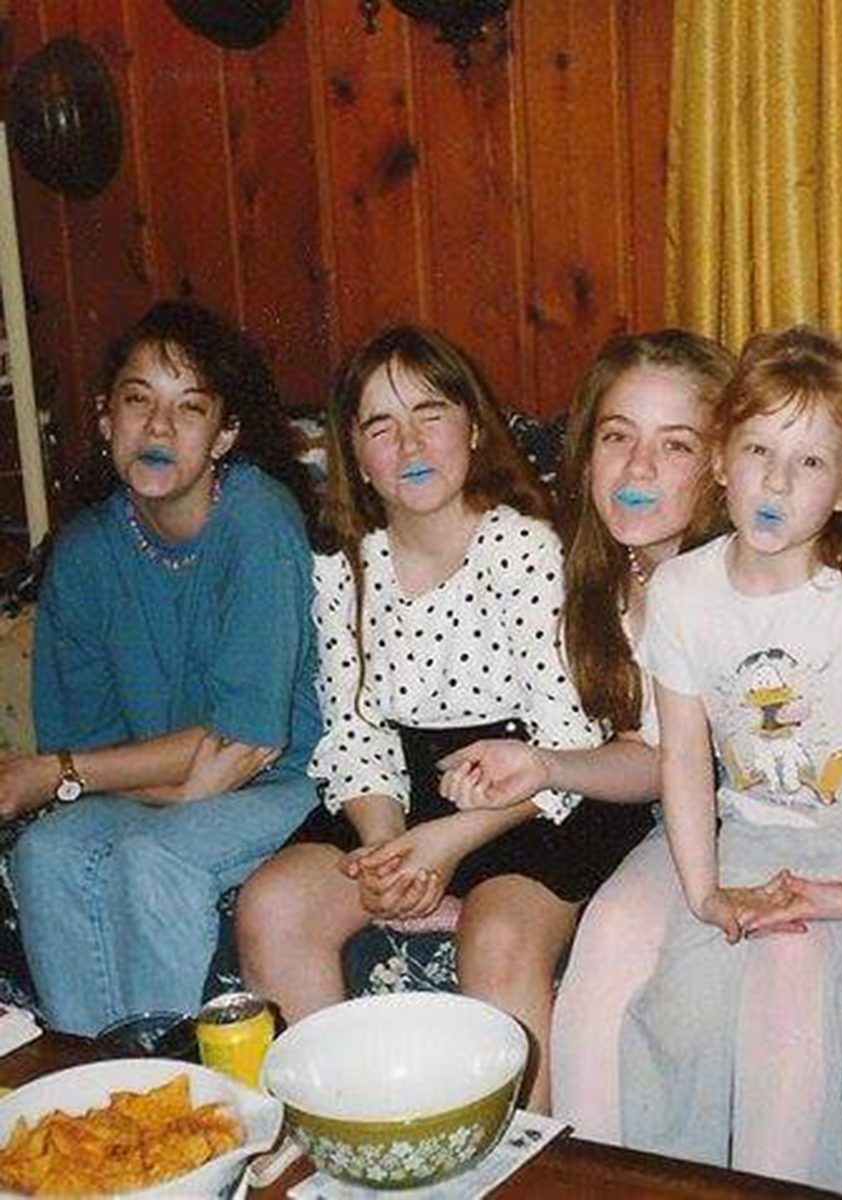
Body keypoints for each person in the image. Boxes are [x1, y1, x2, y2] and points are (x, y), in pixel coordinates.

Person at [235, 325, 652, 1111]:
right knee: (274, 904)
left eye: (431, 413)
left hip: (537, 795)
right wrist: (387, 846)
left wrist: (448, 844)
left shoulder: (524, 548)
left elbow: (565, 740)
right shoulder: (343, 564)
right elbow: (355, 730)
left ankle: (527, 1159)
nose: (411, 443)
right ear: (355, 455)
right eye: (381, 426)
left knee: (497, 936)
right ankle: (344, 1128)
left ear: (472, 427)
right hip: (408, 792)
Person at [619, 325, 842, 1191]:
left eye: (809, 462)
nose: (776, 480)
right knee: (683, 1006)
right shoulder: (682, 592)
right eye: (758, 449)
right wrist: (703, 892)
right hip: (757, 827)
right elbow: (685, 758)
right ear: (721, 459)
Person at [433, 330, 734, 1139]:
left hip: (729, 821)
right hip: (626, 813)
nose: (638, 469)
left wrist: (545, 769)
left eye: (676, 446)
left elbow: (663, 760)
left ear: (721, 464)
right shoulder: (583, 570)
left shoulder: (729, 580)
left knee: (615, 949)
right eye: (617, 437)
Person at [1, 299, 321, 1035]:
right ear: (105, 418)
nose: (158, 428)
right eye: (138, 400)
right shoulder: (83, 553)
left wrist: (61, 774)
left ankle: (178, 1089)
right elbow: (89, 749)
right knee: (46, 853)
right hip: (174, 783)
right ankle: (98, 1085)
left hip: (289, 778)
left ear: (225, 435)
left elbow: (245, 741)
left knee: (155, 861)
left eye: (189, 408)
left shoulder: (259, 520)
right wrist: (131, 782)